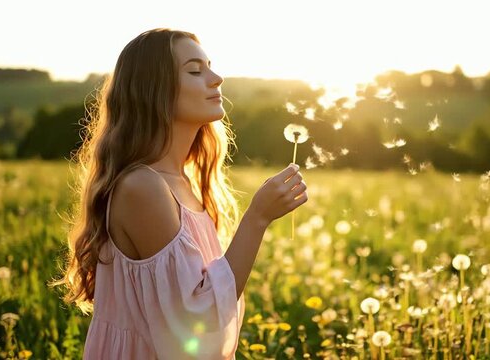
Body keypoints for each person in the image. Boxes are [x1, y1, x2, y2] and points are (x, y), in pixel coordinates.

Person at [51, 28, 308, 359]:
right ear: (153, 90)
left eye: (210, 67)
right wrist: (257, 217)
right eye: (195, 70)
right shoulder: (142, 188)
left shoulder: (181, 182)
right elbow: (194, 323)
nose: (216, 78)